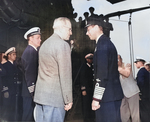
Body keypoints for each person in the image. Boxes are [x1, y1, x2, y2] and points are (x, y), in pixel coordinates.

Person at [34, 17, 73, 122]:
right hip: (54, 99)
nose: (71, 33)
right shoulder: (63, 45)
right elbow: (65, 74)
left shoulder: (44, 44)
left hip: (40, 97)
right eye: (69, 29)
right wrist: (68, 99)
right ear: (63, 28)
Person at [85, 16, 123, 122]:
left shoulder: (101, 45)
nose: (87, 33)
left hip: (106, 97)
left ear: (97, 27)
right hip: (111, 95)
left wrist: (96, 99)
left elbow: (102, 75)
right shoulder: (106, 43)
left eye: (88, 29)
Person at [21, 27, 41, 121]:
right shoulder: (30, 52)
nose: (40, 40)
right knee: (28, 116)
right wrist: (32, 92)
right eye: (38, 37)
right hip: (30, 91)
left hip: (31, 91)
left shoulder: (33, 51)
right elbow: (29, 74)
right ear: (31, 38)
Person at [1, 47, 22, 121]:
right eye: (13, 54)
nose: (15, 56)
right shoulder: (5, 66)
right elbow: (3, 80)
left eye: (15, 54)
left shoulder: (16, 66)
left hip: (15, 90)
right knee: (8, 110)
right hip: (9, 91)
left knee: (15, 110)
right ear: (9, 56)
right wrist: (5, 90)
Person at [118, 55, 140, 122]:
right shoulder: (113, 69)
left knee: (135, 114)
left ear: (121, 59)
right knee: (123, 115)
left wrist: (117, 67)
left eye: (117, 59)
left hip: (132, 93)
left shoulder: (127, 66)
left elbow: (126, 74)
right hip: (122, 95)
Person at [80, 53, 95, 122]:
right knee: (85, 105)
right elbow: (82, 78)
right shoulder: (84, 67)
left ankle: (91, 118)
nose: (91, 60)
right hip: (86, 89)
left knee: (90, 103)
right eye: (90, 59)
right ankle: (86, 119)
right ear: (87, 59)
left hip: (91, 89)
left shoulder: (91, 67)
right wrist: (83, 89)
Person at [134, 57, 150, 122]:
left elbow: (140, 82)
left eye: (136, 63)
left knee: (144, 111)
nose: (135, 64)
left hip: (143, 94)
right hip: (148, 93)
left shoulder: (141, 71)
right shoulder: (146, 72)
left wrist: (140, 91)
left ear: (140, 63)